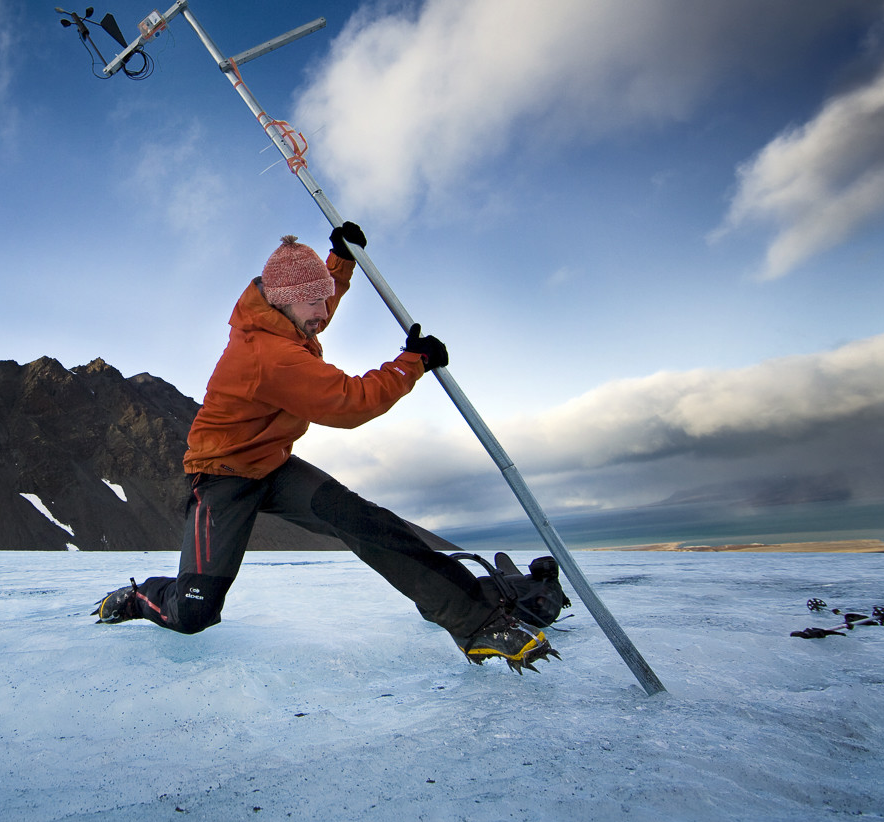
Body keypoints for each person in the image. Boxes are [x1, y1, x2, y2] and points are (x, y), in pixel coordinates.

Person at [93, 225, 557, 673]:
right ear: (283, 300)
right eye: (313, 301)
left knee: (363, 521)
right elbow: (349, 403)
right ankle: (141, 597)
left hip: (272, 465)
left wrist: (341, 262)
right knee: (194, 612)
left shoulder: (286, 316)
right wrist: (412, 363)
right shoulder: (267, 355)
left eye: (322, 297)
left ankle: (476, 624)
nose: (322, 309)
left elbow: (317, 301)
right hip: (222, 475)